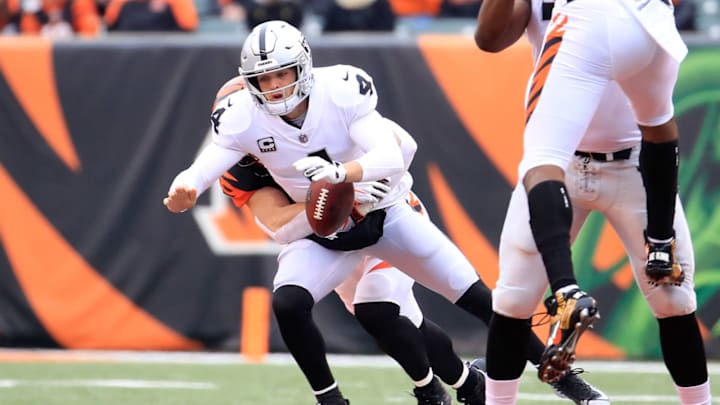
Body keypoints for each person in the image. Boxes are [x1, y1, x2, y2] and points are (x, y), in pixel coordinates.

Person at [164, 20, 603, 405]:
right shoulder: (240, 127)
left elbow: (397, 152)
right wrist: (187, 185)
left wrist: (345, 176)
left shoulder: (339, 90)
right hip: (326, 235)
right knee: (291, 302)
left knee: (479, 300)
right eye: (263, 80)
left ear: (303, 67)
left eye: (282, 74)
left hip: (386, 214)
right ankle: (337, 398)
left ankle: (564, 378)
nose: (275, 88)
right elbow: (260, 208)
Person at [475, 0, 712, 403]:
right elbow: (490, 38)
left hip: (632, 163)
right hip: (568, 162)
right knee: (513, 298)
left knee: (674, 301)